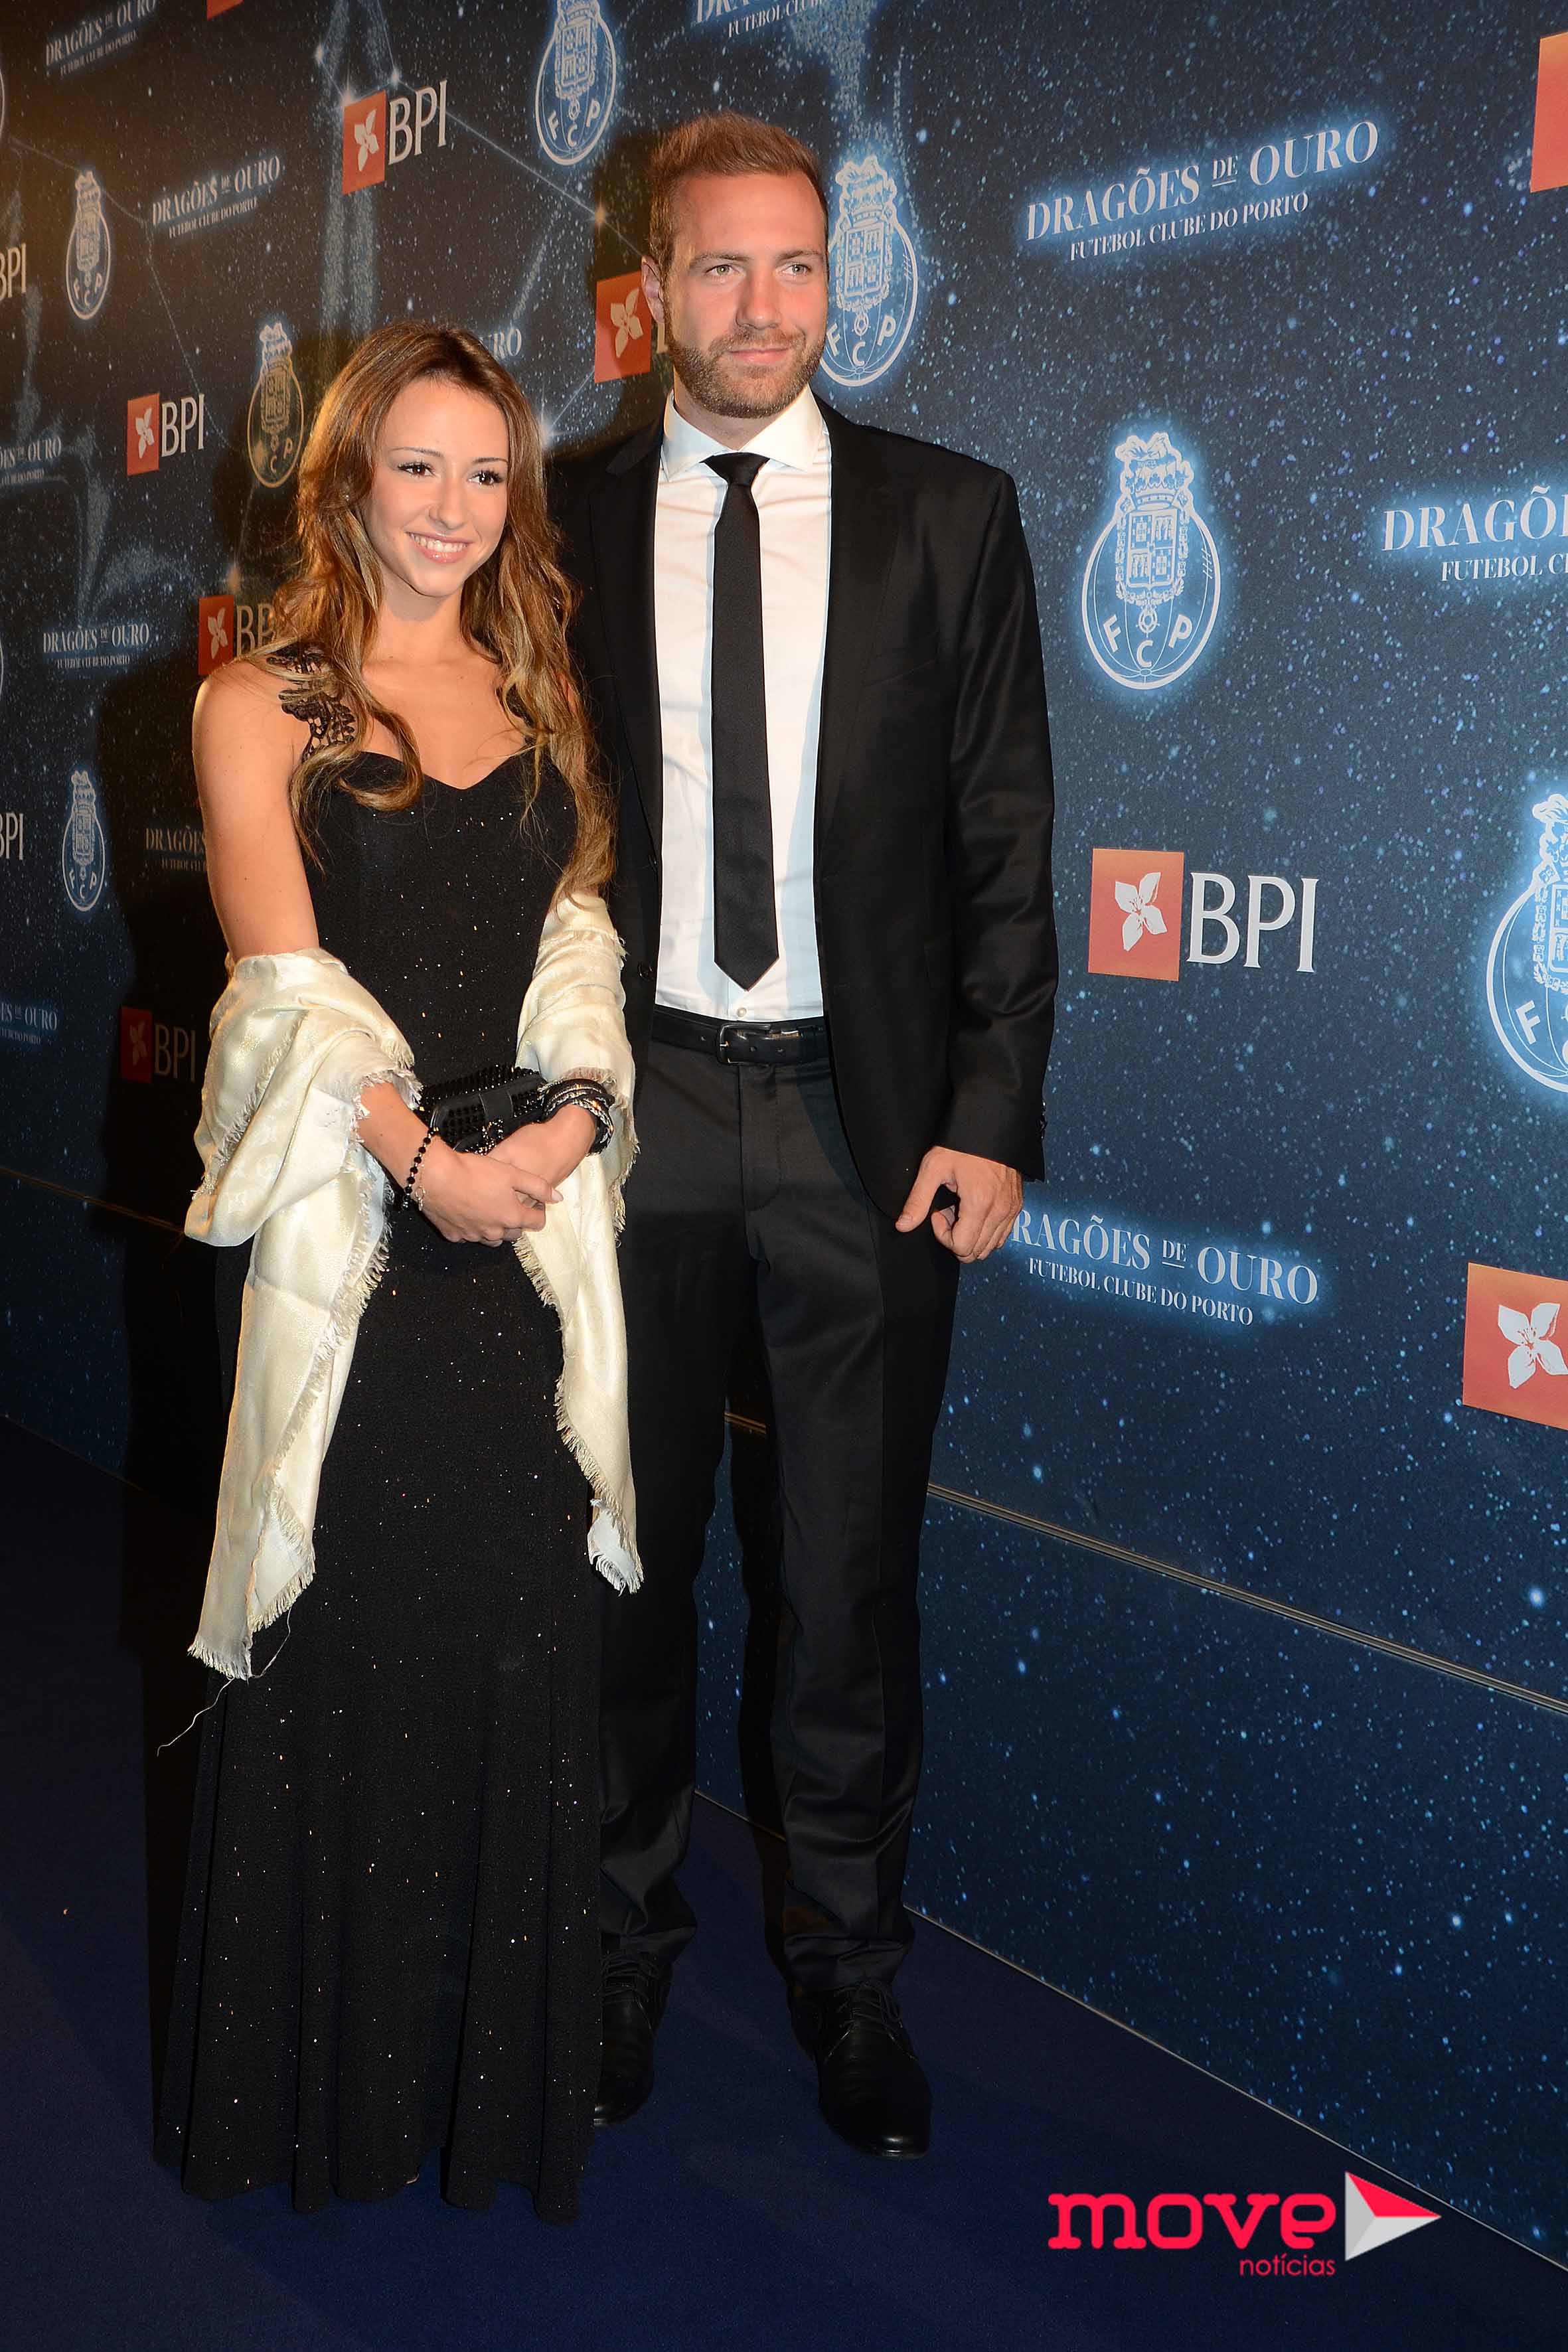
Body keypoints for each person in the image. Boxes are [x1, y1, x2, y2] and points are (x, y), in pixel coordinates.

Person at [551, 114, 1058, 2159]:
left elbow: (1004, 836)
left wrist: (991, 1109)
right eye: (718, 266)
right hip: (637, 1111)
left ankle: (850, 1981)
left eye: (795, 265)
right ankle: (611, 1948)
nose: (761, 306)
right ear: (646, 292)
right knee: (623, 1561)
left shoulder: (951, 513)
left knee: (846, 1583)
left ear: (834, 279)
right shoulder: (559, 524)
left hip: (866, 1126)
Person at [156, 322, 638, 2221]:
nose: (450, 508)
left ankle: (486, 2096)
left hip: (516, 1246)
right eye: (416, 465)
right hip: (354, 1254)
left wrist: (570, 1126)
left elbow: (575, 945)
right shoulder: (257, 701)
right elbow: (282, 995)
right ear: (347, 476)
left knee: (509, 1639)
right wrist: (424, 1166)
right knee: (343, 1635)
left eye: (485, 473)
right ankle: (325, 2105)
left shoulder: (539, 692)